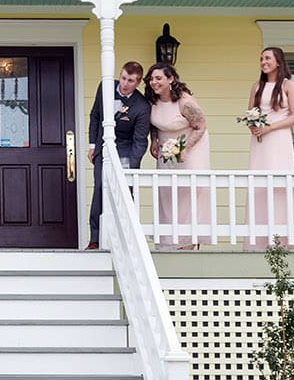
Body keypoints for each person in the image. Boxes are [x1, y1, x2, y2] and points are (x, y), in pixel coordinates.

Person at [86, 59, 151, 248]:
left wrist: (132, 168)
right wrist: (92, 146)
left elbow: (140, 140)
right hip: (102, 149)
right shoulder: (105, 86)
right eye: (123, 78)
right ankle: (95, 239)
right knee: (99, 189)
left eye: (130, 81)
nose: (124, 83)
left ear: (137, 82)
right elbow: (95, 116)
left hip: (125, 152)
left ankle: (123, 239)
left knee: (123, 195)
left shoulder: (142, 106)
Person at [145, 64, 208, 248]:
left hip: (191, 148)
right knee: (167, 192)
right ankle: (167, 242)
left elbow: (201, 126)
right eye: (151, 79)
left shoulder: (184, 101)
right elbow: (155, 124)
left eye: (158, 78)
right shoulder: (152, 100)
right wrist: (154, 140)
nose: (154, 82)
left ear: (170, 79)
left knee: (187, 192)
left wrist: (185, 149)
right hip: (166, 150)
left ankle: (188, 242)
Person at [247, 46, 294, 246]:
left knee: (280, 184)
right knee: (259, 184)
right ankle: (260, 239)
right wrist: (253, 125)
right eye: (261, 58)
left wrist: (271, 127)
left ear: (278, 62)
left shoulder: (289, 85)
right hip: (260, 141)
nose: (263, 62)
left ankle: (283, 238)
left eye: (268, 58)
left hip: (279, 138)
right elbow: (250, 112)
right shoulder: (256, 86)